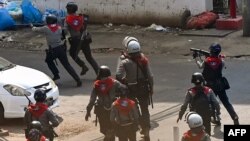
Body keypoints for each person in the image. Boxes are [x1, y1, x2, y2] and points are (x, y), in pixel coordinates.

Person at [116, 36, 154, 141]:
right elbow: (150, 76)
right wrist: (151, 88)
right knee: (145, 109)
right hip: (144, 88)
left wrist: (125, 81)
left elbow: (118, 75)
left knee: (135, 109)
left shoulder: (124, 61)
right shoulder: (143, 59)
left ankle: (139, 126)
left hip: (130, 88)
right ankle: (146, 131)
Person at [30, 14, 82, 87]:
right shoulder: (59, 28)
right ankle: (78, 80)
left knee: (48, 61)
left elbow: (35, 29)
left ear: (48, 21)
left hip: (53, 50)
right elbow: (63, 33)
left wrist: (32, 26)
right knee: (67, 65)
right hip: (61, 49)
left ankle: (56, 74)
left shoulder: (46, 28)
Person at [194, 43, 239, 125]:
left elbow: (200, 66)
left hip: (210, 86)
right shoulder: (221, 61)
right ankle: (234, 116)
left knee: (211, 103)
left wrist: (196, 58)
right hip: (220, 85)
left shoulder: (206, 61)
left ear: (211, 51)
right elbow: (219, 64)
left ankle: (216, 119)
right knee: (226, 102)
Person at [85, 65, 123, 141]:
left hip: (101, 108)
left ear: (99, 74)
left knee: (103, 128)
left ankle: (108, 135)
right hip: (113, 108)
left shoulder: (97, 85)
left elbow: (92, 99)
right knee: (112, 126)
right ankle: (110, 135)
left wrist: (88, 111)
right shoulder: (115, 83)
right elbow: (124, 89)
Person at [64, 2, 99, 75]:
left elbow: (65, 31)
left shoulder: (67, 19)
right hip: (85, 38)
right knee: (89, 57)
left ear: (68, 10)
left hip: (76, 41)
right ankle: (99, 73)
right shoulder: (81, 17)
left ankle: (83, 66)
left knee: (72, 54)